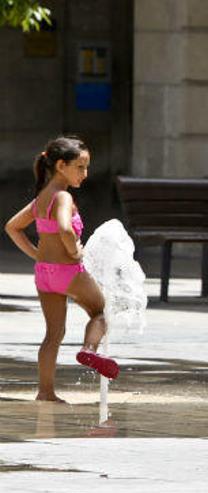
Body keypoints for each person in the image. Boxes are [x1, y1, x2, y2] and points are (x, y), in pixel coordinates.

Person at [4, 137, 119, 402]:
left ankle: (45, 392)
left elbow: (12, 226)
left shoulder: (42, 197)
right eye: (80, 166)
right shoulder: (63, 196)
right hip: (69, 272)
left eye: (87, 167)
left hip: (44, 275)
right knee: (102, 312)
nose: (85, 173)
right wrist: (74, 252)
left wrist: (36, 254)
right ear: (60, 165)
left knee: (53, 334)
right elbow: (65, 228)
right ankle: (90, 350)